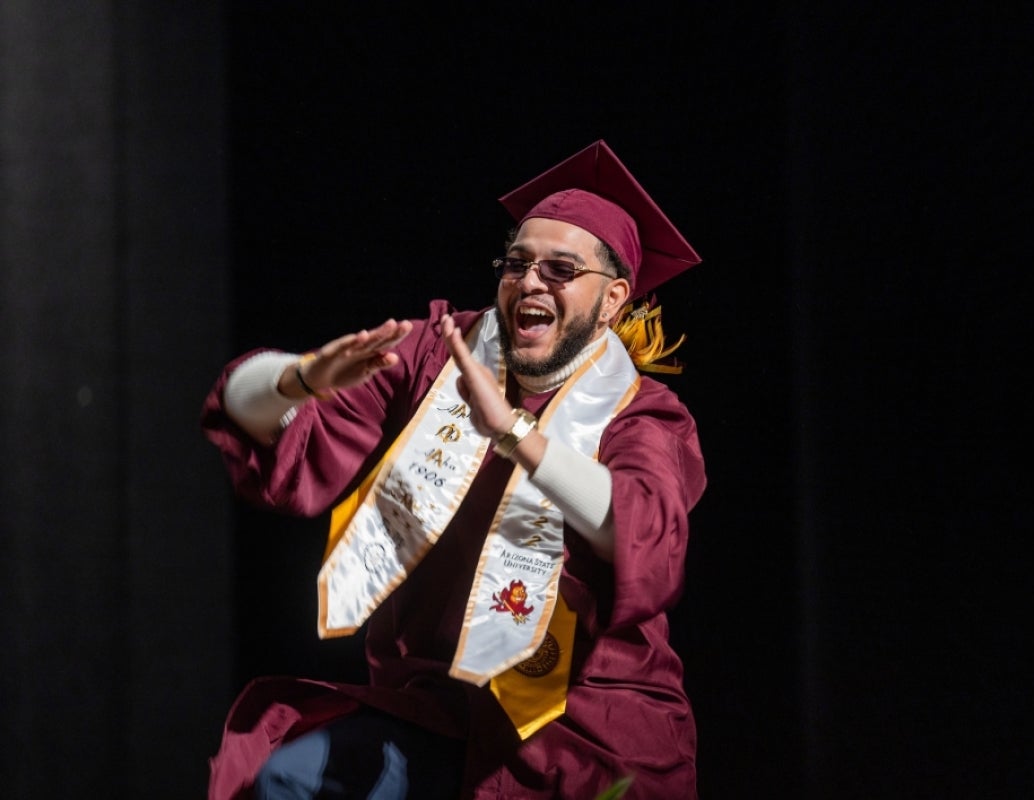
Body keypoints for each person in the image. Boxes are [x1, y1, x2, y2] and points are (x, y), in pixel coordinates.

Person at [202, 140, 706, 799]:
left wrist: (515, 435)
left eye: (559, 270)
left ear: (612, 299)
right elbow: (250, 413)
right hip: (442, 712)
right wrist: (299, 379)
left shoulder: (643, 416)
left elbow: (640, 530)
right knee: (289, 780)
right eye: (518, 263)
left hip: (586, 733)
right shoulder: (438, 357)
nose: (529, 283)